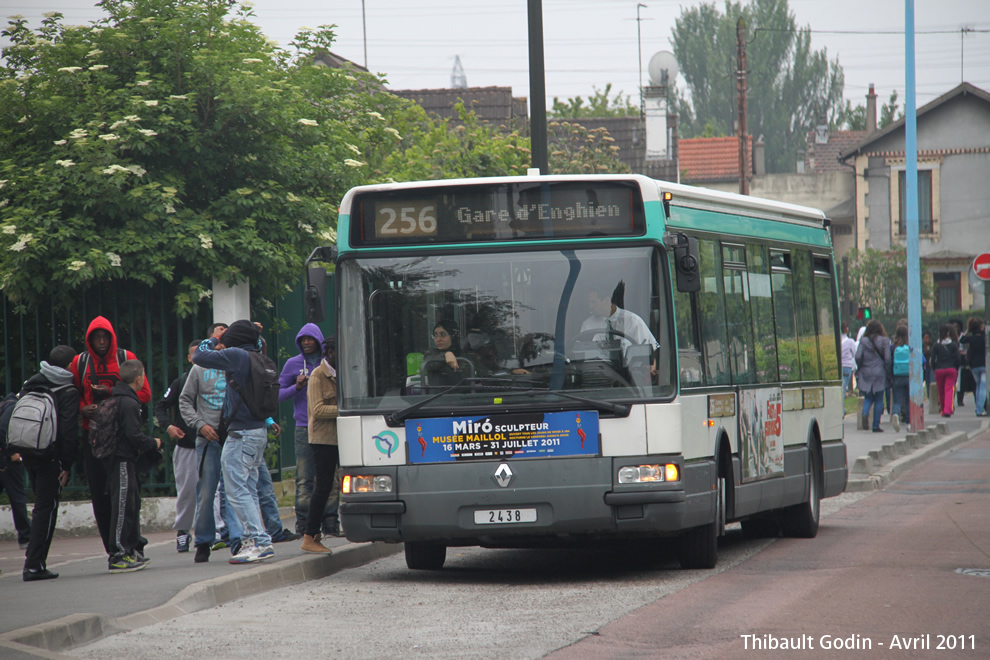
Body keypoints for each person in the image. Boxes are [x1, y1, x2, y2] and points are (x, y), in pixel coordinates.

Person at [192, 320, 278, 564]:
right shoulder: (258, 356)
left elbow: (199, 355)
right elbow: (256, 341)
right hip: (258, 431)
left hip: (241, 434)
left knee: (235, 490)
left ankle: (260, 542)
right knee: (248, 489)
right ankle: (253, 541)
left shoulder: (237, 355)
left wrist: (214, 339)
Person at [70, 316, 152, 557]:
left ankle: (132, 544)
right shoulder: (80, 362)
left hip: (122, 438)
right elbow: (71, 395)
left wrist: (111, 392)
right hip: (93, 436)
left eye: (105, 337)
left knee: (128, 496)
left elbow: (144, 393)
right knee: (99, 495)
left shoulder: (125, 359)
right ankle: (114, 550)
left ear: (112, 337)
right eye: (96, 338)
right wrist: (81, 409)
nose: (102, 342)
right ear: (90, 340)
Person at [9, 346, 80, 581]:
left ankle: (34, 561)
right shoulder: (68, 390)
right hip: (51, 456)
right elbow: (68, 432)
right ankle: (34, 564)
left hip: (28, 451)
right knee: (45, 510)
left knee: (40, 506)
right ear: (70, 366)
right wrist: (66, 464)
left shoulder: (32, 382)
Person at [278, 322, 337, 537]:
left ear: (319, 341)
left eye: (310, 339)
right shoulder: (292, 364)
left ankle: (331, 521)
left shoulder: (329, 363)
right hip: (304, 427)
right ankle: (303, 523)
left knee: (330, 478)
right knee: (304, 477)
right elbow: (277, 394)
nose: (306, 343)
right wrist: (297, 387)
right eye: (303, 340)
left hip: (329, 425)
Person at [106, 360, 162, 573]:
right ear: (139, 379)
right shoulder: (129, 403)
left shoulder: (120, 398)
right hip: (122, 459)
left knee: (130, 505)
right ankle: (119, 554)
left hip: (124, 459)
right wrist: (153, 443)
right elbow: (133, 435)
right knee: (122, 507)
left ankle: (129, 551)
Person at [154, 340, 200, 553]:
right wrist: (169, 426)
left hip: (212, 445)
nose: (199, 358)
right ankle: (183, 532)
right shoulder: (181, 382)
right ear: (189, 358)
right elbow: (160, 406)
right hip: (187, 447)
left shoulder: (218, 380)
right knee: (187, 492)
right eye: (194, 354)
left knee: (217, 491)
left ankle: (215, 533)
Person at [301, 336, 340, 554]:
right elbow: (317, 410)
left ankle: (322, 530)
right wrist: (345, 408)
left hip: (340, 436)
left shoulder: (339, 374)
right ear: (332, 353)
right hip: (323, 439)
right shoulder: (318, 376)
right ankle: (309, 535)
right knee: (322, 486)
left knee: (340, 483)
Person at [581, 283, 659, 376]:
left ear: (606, 300)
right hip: (597, 377)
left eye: (594, 302)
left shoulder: (633, 321)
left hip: (629, 380)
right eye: (589, 302)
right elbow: (581, 356)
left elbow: (651, 355)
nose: (590, 307)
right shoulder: (587, 325)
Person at [855, 319, 891, 432]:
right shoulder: (885, 341)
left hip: (866, 371)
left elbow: (858, 356)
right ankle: (875, 425)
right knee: (879, 398)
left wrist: (861, 366)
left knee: (868, 397)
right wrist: (887, 369)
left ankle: (865, 413)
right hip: (880, 372)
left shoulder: (863, 341)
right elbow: (887, 359)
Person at [422, 320, 466, 387]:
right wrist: (446, 354)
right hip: (438, 397)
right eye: (435, 335)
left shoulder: (464, 355)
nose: (438, 339)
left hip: (461, 396)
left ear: (453, 336)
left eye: (443, 335)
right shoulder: (431, 353)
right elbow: (430, 363)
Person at [931, 323, 961, 418]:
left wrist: (935, 368)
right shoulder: (953, 345)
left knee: (941, 390)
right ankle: (948, 410)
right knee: (949, 390)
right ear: (948, 333)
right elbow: (957, 359)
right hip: (951, 369)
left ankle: (943, 409)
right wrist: (956, 368)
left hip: (939, 370)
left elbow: (932, 359)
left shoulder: (936, 345)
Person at [960, 318, 987, 416]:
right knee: (983, 387)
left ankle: (978, 408)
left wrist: (967, 330)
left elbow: (961, 340)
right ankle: (980, 409)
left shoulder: (970, 338)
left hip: (974, 366)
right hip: (984, 365)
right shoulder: (985, 338)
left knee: (978, 386)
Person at [888, 325, 910, 432]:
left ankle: (895, 414)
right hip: (909, 376)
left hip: (897, 376)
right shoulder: (910, 346)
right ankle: (909, 422)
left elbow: (889, 362)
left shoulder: (893, 347)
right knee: (908, 401)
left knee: (897, 400)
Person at [840, 321, 857, 397]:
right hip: (847, 366)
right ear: (846, 329)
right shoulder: (850, 341)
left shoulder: (835, 340)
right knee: (843, 388)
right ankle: (841, 407)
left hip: (837, 367)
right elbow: (854, 353)